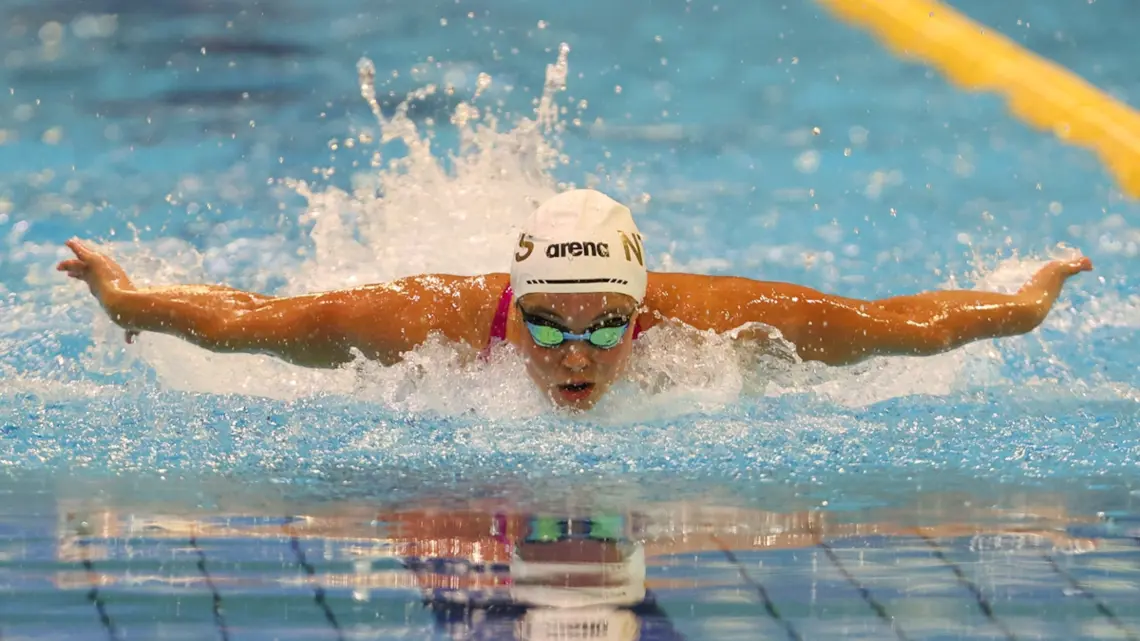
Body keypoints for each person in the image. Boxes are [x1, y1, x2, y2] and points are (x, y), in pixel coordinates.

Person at [58, 188, 1092, 410]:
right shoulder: (428, 322)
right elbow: (254, 323)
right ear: (515, 305)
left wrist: (1023, 303)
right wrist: (127, 298)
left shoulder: (716, 319)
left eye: (608, 323)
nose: (577, 352)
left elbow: (894, 324)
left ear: (643, 313)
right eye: (548, 321)